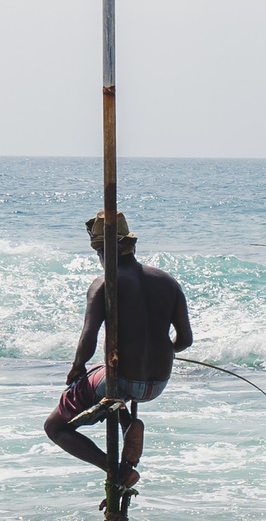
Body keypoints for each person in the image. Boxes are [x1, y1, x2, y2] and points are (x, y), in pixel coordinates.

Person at [44, 210, 192, 489]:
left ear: (102, 250)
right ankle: (126, 422)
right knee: (107, 383)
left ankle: (115, 470)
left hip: (121, 381)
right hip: (158, 384)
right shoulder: (168, 281)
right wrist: (160, 351)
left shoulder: (104, 284)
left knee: (54, 427)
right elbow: (184, 340)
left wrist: (77, 367)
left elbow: (88, 339)